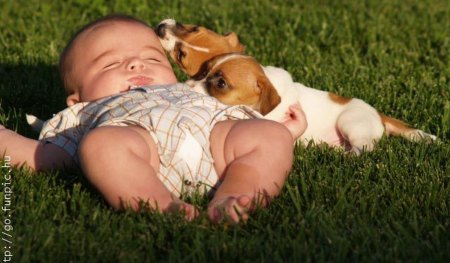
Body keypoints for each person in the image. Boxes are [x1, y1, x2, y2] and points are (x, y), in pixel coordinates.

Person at [0, 15, 307, 224]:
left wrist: (283, 131)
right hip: (143, 149)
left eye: (152, 58)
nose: (136, 63)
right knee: (101, 145)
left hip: (215, 144)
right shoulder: (86, 117)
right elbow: (39, 157)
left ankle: (238, 194)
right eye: (110, 64)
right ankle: (159, 203)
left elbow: (243, 119)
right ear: (77, 100)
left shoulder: (194, 93)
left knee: (270, 134)